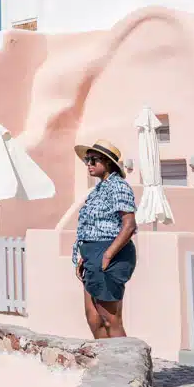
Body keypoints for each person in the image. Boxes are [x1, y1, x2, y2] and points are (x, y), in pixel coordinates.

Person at [72, 140, 137, 339]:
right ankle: (104, 356)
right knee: (93, 317)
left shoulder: (118, 186)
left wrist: (107, 255)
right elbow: (91, 225)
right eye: (87, 160)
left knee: (110, 317)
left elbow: (129, 225)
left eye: (94, 160)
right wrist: (84, 256)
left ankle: (124, 358)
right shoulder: (98, 190)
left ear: (108, 162)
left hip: (110, 251)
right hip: (93, 253)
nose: (89, 164)